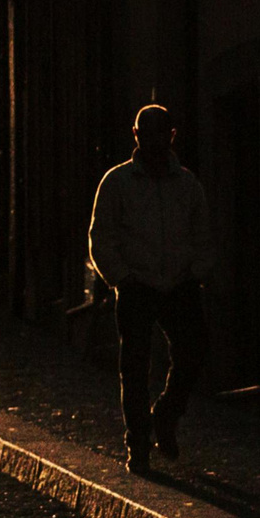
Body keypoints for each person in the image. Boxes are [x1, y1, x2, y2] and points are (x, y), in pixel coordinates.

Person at [88, 104, 216, 474]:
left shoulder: (188, 186)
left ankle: (164, 414)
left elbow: (202, 237)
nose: (154, 141)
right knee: (134, 366)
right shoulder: (117, 183)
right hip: (137, 285)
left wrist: (196, 272)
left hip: (179, 284)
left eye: (161, 134)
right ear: (137, 136)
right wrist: (121, 278)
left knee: (194, 350)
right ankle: (138, 443)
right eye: (147, 134)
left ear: (171, 136)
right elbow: (101, 237)